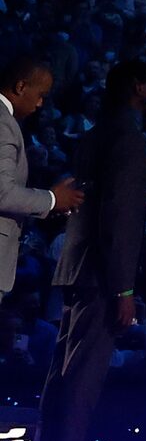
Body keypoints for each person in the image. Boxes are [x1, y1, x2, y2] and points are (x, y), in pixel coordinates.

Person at [26, 60, 146, 441]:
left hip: (76, 266)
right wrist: (123, 288)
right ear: (139, 87)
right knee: (80, 381)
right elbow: (119, 214)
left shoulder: (95, 133)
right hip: (102, 274)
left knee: (61, 377)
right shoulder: (129, 138)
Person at [0, 53, 80, 299]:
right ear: (21, 86)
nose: (40, 104)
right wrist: (52, 199)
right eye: (41, 95)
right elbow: (3, 193)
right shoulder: (3, 124)